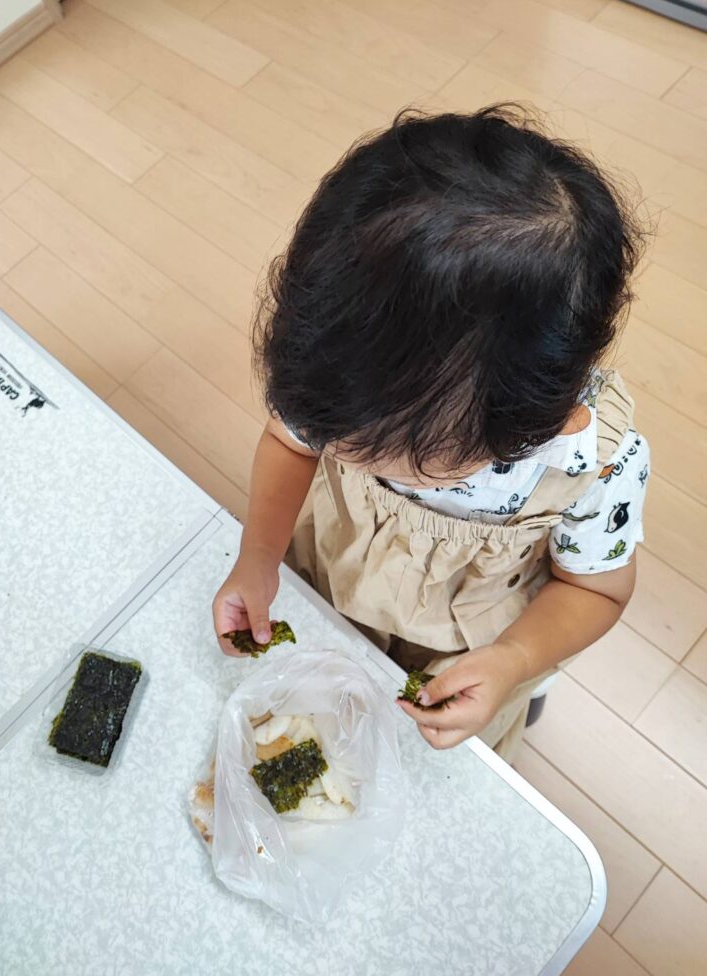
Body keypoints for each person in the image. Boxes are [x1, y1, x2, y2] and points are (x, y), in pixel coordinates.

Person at [212, 106, 650, 762]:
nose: (337, 449)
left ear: (527, 429)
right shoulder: (341, 376)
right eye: (336, 442)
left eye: (386, 457)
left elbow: (595, 587)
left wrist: (514, 659)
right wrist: (257, 556)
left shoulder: (592, 466)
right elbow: (287, 441)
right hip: (338, 590)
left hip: (467, 648)